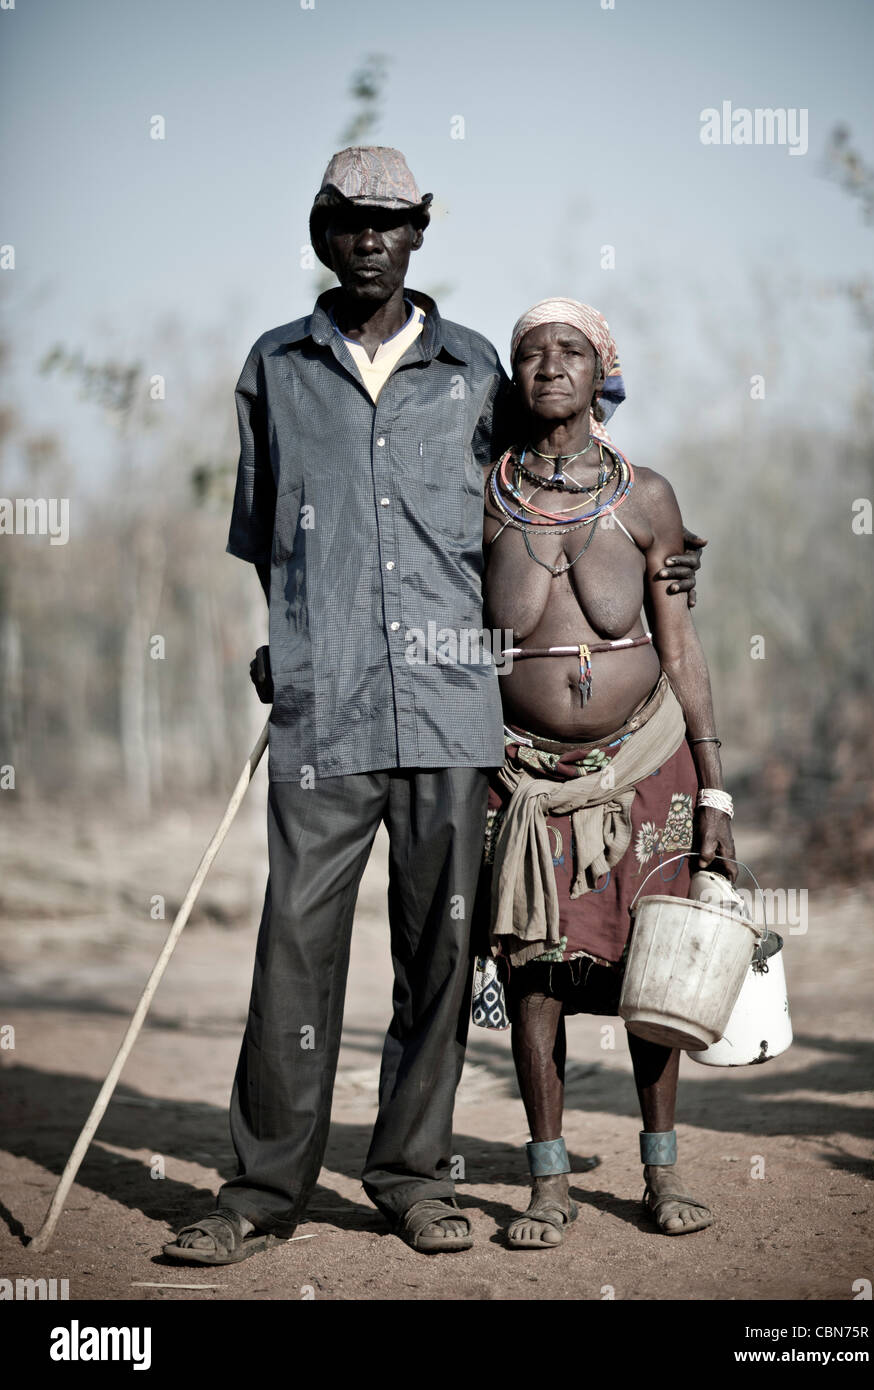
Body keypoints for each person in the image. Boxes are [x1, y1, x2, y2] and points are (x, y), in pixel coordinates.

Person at [164, 152, 702, 1264]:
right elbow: (267, 538)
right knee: (291, 949)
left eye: (391, 223)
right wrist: (291, 641)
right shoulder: (275, 369)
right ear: (321, 233)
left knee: (441, 955)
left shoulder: (476, 374)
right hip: (327, 712)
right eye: (349, 222)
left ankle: (411, 1175)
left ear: (418, 235)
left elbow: (557, 474)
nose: (370, 240)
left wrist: (659, 556)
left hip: (458, 714)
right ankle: (261, 1190)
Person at [475, 298, 734, 1248]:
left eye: (570, 351)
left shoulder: (648, 497)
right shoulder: (485, 495)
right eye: (531, 353)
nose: (549, 365)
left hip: (647, 761)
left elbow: (682, 642)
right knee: (536, 971)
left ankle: (660, 1174)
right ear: (515, 378)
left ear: (602, 373)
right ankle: (548, 1185)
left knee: (652, 968)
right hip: (524, 775)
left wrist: (715, 789)